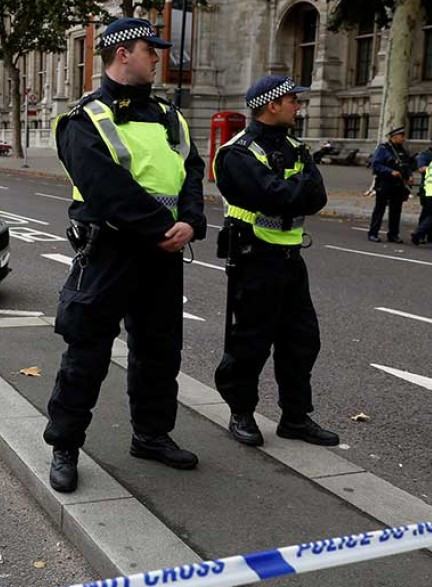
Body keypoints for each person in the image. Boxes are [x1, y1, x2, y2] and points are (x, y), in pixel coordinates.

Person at [43, 17, 206, 493]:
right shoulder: (84, 119)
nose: (157, 57)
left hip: (163, 253)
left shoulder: (170, 115)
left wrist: (191, 221)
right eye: (149, 49)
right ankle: (65, 446)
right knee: (86, 351)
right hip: (110, 251)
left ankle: (151, 435)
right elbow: (104, 188)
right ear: (121, 54)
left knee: (159, 351)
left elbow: (192, 170)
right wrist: (163, 228)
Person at [212, 75, 339, 448]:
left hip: (290, 257)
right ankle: (241, 411)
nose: (297, 107)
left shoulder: (296, 147)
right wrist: (294, 192)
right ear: (272, 105)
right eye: (292, 101)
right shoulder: (238, 152)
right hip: (254, 257)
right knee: (250, 341)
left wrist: (291, 193)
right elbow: (273, 196)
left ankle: (295, 417)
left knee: (302, 341)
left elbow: (316, 197)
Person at [366, 126, 414, 243]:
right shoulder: (383, 149)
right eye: (402, 137)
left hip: (398, 185)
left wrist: (410, 176)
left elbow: (406, 165)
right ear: (395, 137)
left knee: (396, 210)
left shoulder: (402, 150)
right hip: (385, 183)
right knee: (380, 209)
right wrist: (390, 172)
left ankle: (393, 234)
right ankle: (373, 233)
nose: (404, 139)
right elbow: (376, 165)